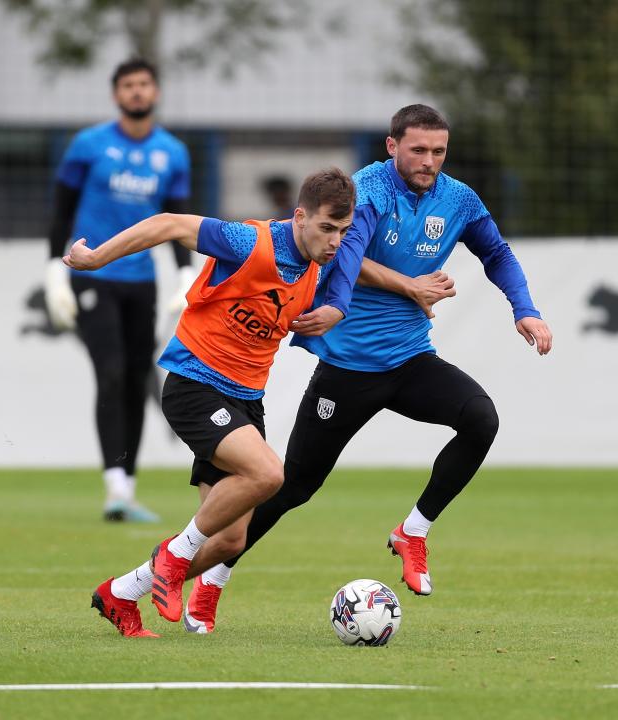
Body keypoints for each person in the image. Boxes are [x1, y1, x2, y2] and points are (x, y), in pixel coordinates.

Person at [181, 104, 553, 633]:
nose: (429, 161)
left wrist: (526, 310)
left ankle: (413, 532)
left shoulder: (459, 199)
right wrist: (408, 286)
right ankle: (211, 581)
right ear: (391, 146)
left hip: (409, 359)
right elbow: (342, 257)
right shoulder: (366, 192)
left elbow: (496, 253)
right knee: (290, 487)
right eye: (418, 149)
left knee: (480, 419)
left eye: (438, 151)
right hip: (347, 370)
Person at [65, 168, 362, 638]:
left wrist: (359, 302)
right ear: (300, 216)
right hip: (194, 384)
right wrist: (97, 257)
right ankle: (174, 554)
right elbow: (168, 223)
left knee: (230, 539)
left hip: (246, 400)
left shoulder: (320, 265)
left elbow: (359, 269)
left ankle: (120, 593)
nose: (335, 241)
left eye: (343, 232)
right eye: (327, 228)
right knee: (268, 474)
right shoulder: (249, 242)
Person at [44, 57, 198, 523]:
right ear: (116, 94)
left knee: (136, 377)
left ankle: (125, 490)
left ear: (155, 93)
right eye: (128, 85)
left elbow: (176, 219)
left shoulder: (172, 153)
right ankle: (114, 486)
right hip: (91, 275)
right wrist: (54, 269)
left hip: (141, 281)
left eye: (144, 85)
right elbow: (61, 210)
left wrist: (185, 272)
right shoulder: (88, 146)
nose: (136, 92)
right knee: (109, 372)